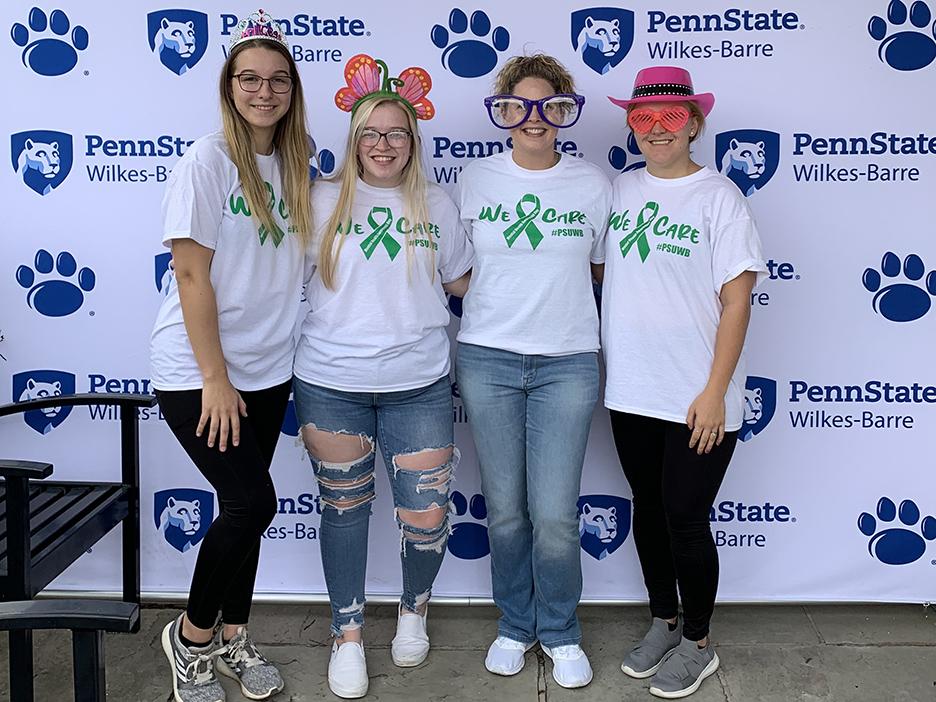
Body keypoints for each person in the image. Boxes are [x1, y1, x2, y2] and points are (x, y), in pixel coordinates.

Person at [292, 53, 473, 699]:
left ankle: (413, 612)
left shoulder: (439, 204)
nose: (384, 144)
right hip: (330, 381)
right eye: (372, 132)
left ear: (413, 140)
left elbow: (463, 284)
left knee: (425, 518)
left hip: (419, 382)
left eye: (397, 132)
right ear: (354, 139)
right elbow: (269, 280)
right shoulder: (316, 201)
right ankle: (346, 636)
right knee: (344, 511)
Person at [149, 10, 312, 702]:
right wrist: (214, 378)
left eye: (277, 79)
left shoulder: (299, 163)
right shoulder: (206, 160)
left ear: (292, 89)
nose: (264, 91)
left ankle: (234, 637)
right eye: (250, 78)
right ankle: (190, 640)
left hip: (269, 370)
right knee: (252, 502)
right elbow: (190, 275)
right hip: (200, 371)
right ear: (229, 85)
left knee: (246, 507)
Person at [603, 66, 767, 699]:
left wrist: (715, 392)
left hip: (700, 393)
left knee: (686, 517)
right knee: (649, 510)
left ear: (695, 124)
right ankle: (662, 621)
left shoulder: (719, 196)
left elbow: (737, 301)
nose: (655, 130)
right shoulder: (619, 191)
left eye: (671, 118)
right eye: (643, 118)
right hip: (631, 389)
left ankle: (698, 641)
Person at [454, 54, 611, 689]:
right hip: (487, 358)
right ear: (503, 113)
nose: (534, 119)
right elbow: (456, 270)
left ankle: (563, 631)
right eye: (519, 106)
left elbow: (600, 271)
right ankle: (516, 625)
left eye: (549, 106)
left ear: (566, 112)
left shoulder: (593, 184)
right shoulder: (474, 180)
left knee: (553, 511)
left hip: (568, 361)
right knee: (507, 511)